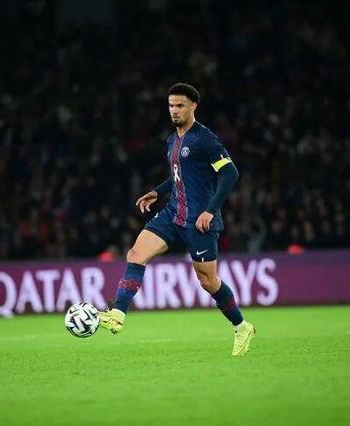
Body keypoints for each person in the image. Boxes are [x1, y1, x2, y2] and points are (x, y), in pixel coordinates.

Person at [99, 83, 256, 356]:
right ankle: (118, 315)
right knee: (136, 253)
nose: (174, 110)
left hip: (199, 220)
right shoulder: (172, 141)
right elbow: (178, 177)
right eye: (171, 105)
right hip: (172, 213)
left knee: (208, 282)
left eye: (180, 105)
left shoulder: (204, 139)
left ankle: (242, 327)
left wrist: (210, 210)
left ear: (194, 106)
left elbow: (230, 173)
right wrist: (157, 192)